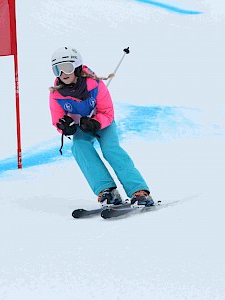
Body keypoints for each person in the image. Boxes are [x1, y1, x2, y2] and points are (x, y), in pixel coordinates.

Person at [49, 46, 153, 207]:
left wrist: (96, 122)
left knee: (111, 149)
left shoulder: (95, 85)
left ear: (76, 67)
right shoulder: (56, 94)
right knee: (79, 146)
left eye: (66, 68)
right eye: (57, 70)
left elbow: (108, 112)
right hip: (81, 127)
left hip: (102, 123)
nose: (63, 74)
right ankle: (107, 190)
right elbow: (57, 119)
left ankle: (138, 190)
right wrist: (65, 127)